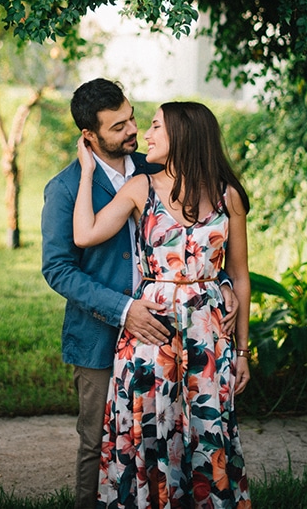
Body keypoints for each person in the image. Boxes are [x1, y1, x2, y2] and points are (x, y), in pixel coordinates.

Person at [42, 81, 238, 509]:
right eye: (119, 126)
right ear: (90, 136)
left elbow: (196, 242)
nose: (133, 129)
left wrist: (219, 284)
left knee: (171, 436)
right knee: (101, 444)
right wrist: (125, 309)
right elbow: (57, 269)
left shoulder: (154, 170)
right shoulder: (65, 188)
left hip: (174, 334)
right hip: (101, 332)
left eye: (133, 117)